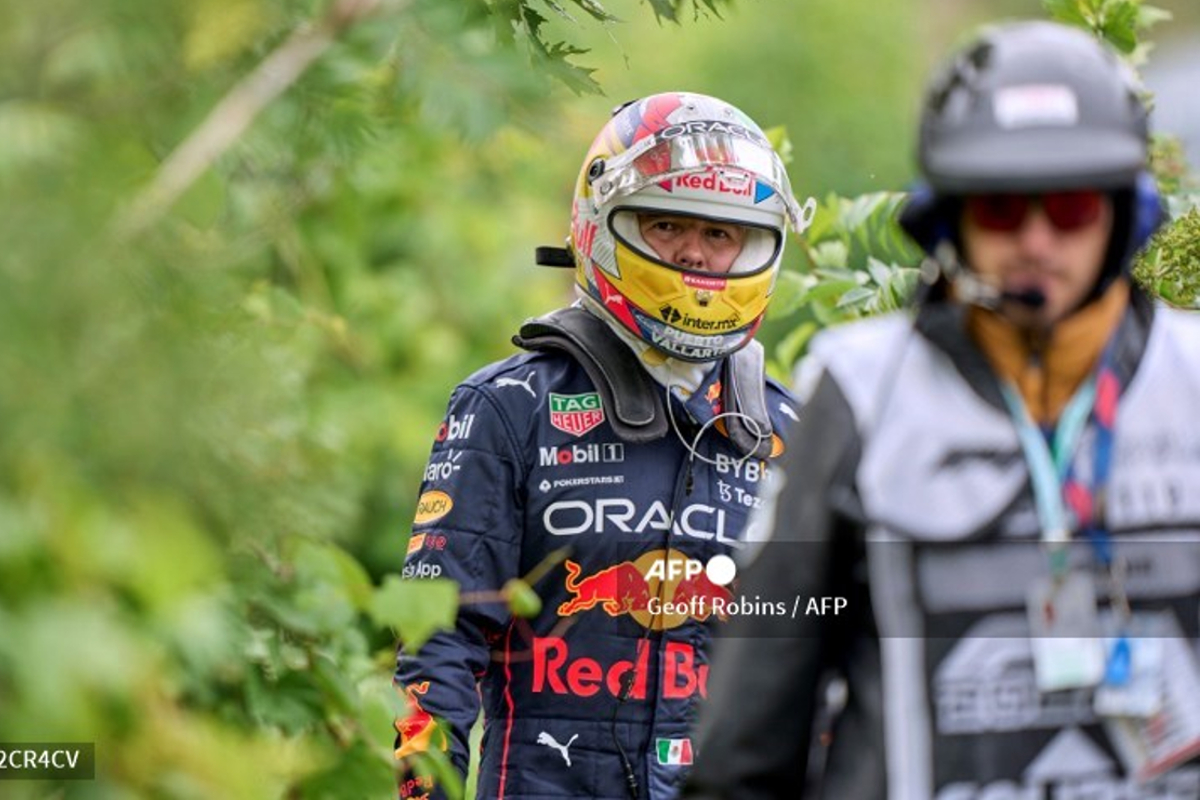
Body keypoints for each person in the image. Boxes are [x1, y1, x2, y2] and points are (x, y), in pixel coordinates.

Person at [681, 20, 1200, 800]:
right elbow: (746, 734)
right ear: (950, 216)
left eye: (1068, 209)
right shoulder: (858, 389)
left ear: (1121, 214)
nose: (1034, 241)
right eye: (998, 210)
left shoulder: (1193, 376)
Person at [395, 91, 815, 800]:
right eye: (667, 224)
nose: (694, 253)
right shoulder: (508, 407)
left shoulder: (792, 432)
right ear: (605, 224)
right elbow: (437, 643)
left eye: (721, 235)